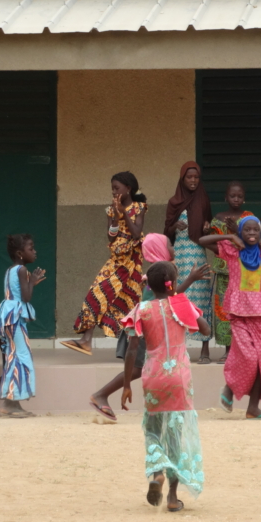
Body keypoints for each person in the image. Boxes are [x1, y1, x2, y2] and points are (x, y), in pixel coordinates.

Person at [88, 233, 211, 421]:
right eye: (170, 244)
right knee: (138, 370)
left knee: (144, 369)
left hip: (150, 330)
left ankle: (103, 395)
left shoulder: (159, 272)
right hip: (145, 331)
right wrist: (190, 280)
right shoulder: (154, 277)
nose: (173, 247)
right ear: (159, 250)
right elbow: (164, 299)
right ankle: (100, 394)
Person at [121, 261, 209, 512]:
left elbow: (132, 350)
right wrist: (183, 303)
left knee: (153, 428)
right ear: (172, 282)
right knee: (175, 436)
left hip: (153, 377)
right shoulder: (181, 304)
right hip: (179, 378)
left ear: (149, 284)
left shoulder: (141, 310)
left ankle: (157, 472)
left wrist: (127, 385)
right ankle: (172, 497)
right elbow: (205, 329)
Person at [199, 216, 261, 420]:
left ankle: (252, 408)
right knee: (249, 357)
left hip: (259, 313)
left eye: (255, 230)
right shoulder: (231, 250)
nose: (252, 234)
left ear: (260, 233)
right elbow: (202, 241)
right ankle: (229, 388)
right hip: (237, 313)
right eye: (247, 230)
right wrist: (230, 236)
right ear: (241, 232)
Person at [62, 171, 147, 356]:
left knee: (129, 303)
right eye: (112, 190)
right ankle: (86, 340)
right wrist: (116, 216)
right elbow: (110, 235)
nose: (114, 192)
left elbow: (136, 233)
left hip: (130, 264)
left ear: (128, 188)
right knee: (96, 292)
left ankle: (136, 349)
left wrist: (124, 213)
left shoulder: (139, 207)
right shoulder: (110, 209)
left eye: (117, 188)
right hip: (115, 261)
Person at [164, 161, 213, 364]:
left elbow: (207, 229)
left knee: (200, 299)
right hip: (180, 256)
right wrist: (175, 225)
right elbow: (166, 232)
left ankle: (204, 349)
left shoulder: (203, 200)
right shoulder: (174, 201)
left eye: (196, 177)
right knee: (179, 298)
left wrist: (208, 229)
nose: (193, 181)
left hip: (197, 254)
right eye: (189, 177)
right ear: (182, 179)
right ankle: (178, 348)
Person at [0, 234, 46, 417]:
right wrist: (32, 282)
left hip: (9, 317)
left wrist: (31, 283)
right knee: (21, 356)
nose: (34, 251)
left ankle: (12, 403)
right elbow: (26, 298)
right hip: (15, 318)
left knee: (13, 356)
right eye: (30, 249)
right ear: (20, 253)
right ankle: (11, 403)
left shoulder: (10, 270)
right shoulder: (22, 270)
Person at [209, 181, 254, 364]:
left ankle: (242, 350)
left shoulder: (248, 218)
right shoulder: (218, 218)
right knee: (224, 311)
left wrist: (237, 230)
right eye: (232, 196)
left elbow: (253, 240)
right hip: (223, 272)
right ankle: (228, 350)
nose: (236, 199)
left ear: (244, 199)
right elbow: (210, 241)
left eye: (240, 196)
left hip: (243, 272)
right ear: (225, 197)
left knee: (242, 311)